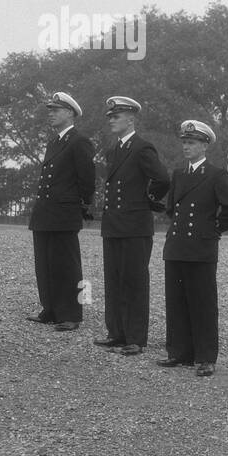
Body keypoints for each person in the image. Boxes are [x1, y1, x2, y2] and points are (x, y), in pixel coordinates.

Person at [157, 120, 228, 376]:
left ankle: (205, 357)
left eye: (191, 142)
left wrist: (212, 229)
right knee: (177, 301)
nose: (186, 147)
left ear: (205, 145)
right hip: (177, 246)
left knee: (202, 303)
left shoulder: (216, 174)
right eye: (184, 142)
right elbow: (172, 208)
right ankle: (180, 352)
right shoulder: (179, 174)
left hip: (201, 248)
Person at [94, 96, 169, 355]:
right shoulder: (113, 150)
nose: (112, 120)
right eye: (110, 116)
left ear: (131, 119)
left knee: (134, 282)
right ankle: (117, 333)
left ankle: (135, 338)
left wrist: (147, 200)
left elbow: (161, 179)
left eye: (117, 116)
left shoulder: (142, 148)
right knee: (114, 280)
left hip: (135, 226)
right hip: (114, 225)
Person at [26, 91, 95, 332]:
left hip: (64, 213)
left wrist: (83, 206)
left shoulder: (79, 141)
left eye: (56, 110)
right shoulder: (54, 142)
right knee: (45, 265)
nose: (51, 114)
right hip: (46, 213)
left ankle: (72, 314)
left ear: (69, 113)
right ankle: (51, 309)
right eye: (50, 110)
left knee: (67, 266)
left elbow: (86, 179)